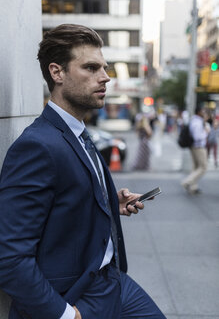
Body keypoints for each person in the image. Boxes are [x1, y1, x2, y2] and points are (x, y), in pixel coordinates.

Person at [0, 24, 166, 319]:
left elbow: (63, 197)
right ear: (57, 72)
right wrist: (65, 315)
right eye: (90, 68)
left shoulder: (76, 131)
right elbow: (10, 257)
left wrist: (107, 202)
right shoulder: (37, 146)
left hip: (112, 281)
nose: (105, 77)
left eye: (104, 67)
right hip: (76, 296)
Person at [181, 105, 209, 194]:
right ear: (199, 112)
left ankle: (193, 187)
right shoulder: (197, 122)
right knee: (203, 167)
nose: (205, 113)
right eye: (203, 111)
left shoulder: (195, 120)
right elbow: (197, 137)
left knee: (196, 167)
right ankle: (187, 182)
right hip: (198, 146)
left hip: (194, 146)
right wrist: (206, 133)